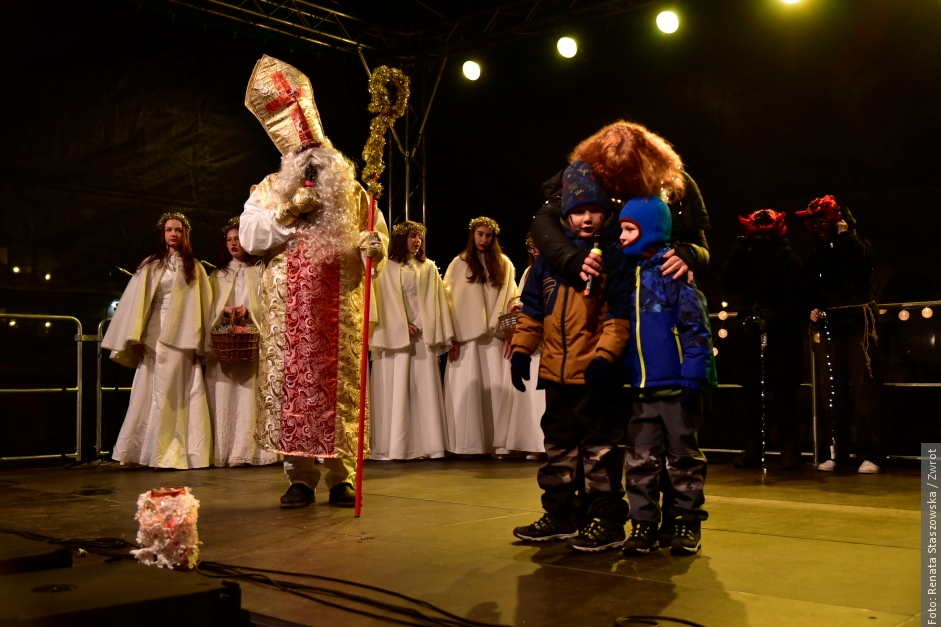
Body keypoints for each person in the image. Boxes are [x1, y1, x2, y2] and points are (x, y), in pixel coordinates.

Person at [529, 119, 711, 545]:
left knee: (665, 442)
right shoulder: (582, 177)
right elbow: (545, 220)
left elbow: (700, 240)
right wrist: (574, 261)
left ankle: (673, 522)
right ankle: (604, 517)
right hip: (607, 314)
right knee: (629, 442)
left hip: (651, 315)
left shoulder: (674, 185)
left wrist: (688, 253)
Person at [238, 55, 388, 508]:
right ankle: (299, 476)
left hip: (339, 309)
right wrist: (288, 212)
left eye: (316, 156)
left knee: (338, 395)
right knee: (295, 394)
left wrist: (374, 248)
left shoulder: (356, 192)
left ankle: (340, 476)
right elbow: (250, 236)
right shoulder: (267, 189)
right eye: (301, 157)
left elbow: (376, 234)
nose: (311, 165)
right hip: (290, 317)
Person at [510, 162, 632, 553]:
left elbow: (619, 315)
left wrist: (604, 358)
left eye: (593, 210)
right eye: (578, 211)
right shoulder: (549, 260)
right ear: (565, 215)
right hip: (556, 374)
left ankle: (607, 520)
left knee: (600, 452)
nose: (586, 218)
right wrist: (521, 350)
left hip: (595, 375)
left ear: (606, 213)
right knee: (558, 449)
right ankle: (561, 515)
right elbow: (532, 311)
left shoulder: (613, 256)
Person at [617, 196, 715, 557]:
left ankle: (687, 522)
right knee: (640, 460)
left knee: (683, 459)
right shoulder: (629, 277)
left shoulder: (673, 274)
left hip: (676, 387)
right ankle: (643, 524)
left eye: (630, 229)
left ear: (651, 231)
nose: (622, 236)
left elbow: (696, 329)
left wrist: (694, 376)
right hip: (642, 389)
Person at [102, 212, 213, 469]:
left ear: (185, 235)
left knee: (174, 392)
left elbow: (202, 307)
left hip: (182, 336)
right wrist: (135, 336)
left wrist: (201, 344)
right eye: (169, 230)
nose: (173, 234)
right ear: (162, 234)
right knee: (146, 391)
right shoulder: (150, 265)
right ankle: (142, 451)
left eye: (178, 230)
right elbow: (136, 302)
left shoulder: (194, 267)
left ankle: (168, 453)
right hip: (154, 335)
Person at [798, 195, 885, 474]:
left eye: (825, 221)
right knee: (830, 391)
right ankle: (835, 452)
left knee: (864, 390)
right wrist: (810, 308)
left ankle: (871, 454)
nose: (820, 227)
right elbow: (809, 288)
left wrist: (846, 235)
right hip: (830, 325)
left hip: (859, 323)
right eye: (816, 222)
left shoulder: (857, 244)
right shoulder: (815, 256)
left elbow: (862, 263)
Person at [718, 209, 804, 470]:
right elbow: (726, 281)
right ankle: (755, 447)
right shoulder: (746, 255)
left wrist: (774, 320)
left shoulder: (790, 260)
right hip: (749, 327)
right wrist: (737, 249)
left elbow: (797, 299)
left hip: (782, 331)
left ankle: (790, 450)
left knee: (784, 392)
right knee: (751, 391)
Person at [369, 220, 454, 460]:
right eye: (412, 237)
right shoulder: (386, 268)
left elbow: (433, 300)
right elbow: (383, 302)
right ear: (400, 239)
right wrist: (401, 324)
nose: (417, 241)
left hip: (421, 336)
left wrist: (419, 322)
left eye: (419, 237)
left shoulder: (427, 268)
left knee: (422, 388)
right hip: (395, 338)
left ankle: (427, 445)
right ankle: (396, 445)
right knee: (396, 389)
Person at [205, 217, 277, 467]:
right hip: (225, 345)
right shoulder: (216, 275)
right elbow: (208, 309)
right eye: (229, 240)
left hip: (250, 343)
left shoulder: (260, 272)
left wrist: (248, 313)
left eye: (238, 238)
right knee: (225, 394)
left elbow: (268, 306)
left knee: (249, 396)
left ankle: (251, 451)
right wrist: (223, 313)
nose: (233, 243)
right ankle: (225, 451)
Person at [442, 216, 518, 456]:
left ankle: (498, 443)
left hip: (493, 337)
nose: (483, 239)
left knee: (495, 390)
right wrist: (451, 335)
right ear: (472, 235)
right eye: (480, 234)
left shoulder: (504, 264)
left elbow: (510, 298)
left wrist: (508, 332)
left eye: (488, 235)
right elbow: (449, 302)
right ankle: (468, 444)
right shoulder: (459, 263)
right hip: (467, 339)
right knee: (469, 390)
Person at [493, 234, 547, 459]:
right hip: (532, 335)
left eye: (537, 246)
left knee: (542, 393)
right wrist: (517, 310)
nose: (534, 250)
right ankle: (528, 442)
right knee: (529, 391)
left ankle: (543, 444)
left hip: (547, 334)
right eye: (530, 247)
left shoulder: (555, 268)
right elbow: (523, 299)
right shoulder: (528, 272)